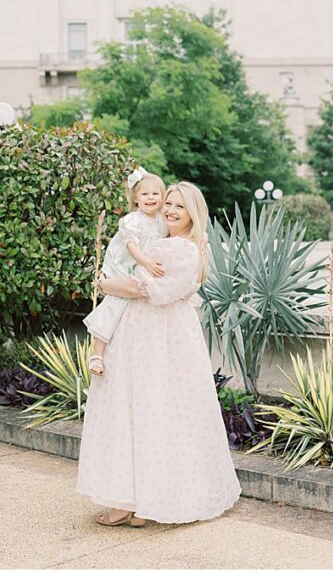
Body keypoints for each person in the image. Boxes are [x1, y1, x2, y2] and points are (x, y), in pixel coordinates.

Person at [76, 181, 241, 527]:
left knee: (151, 415)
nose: (170, 210)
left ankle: (141, 501)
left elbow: (142, 287)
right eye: (168, 203)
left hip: (160, 343)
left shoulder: (182, 249)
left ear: (192, 213)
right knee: (142, 416)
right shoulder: (169, 243)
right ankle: (133, 500)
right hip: (148, 338)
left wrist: (104, 284)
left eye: (180, 206)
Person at [84, 167, 168, 376]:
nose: (150, 198)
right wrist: (147, 263)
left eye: (155, 193)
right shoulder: (132, 220)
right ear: (136, 198)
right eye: (144, 194)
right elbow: (131, 247)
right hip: (123, 265)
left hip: (142, 268)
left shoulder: (162, 221)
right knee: (115, 302)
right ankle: (97, 353)